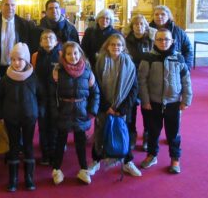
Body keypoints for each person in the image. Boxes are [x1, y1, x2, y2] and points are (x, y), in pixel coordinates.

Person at [138, 28, 193, 174]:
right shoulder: (148, 58)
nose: (163, 42)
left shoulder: (179, 58)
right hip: (153, 102)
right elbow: (141, 81)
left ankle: (175, 158)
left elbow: (186, 81)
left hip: (173, 102)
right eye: (160, 39)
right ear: (155, 41)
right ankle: (152, 155)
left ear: (172, 41)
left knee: (173, 133)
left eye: (166, 39)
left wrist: (186, 99)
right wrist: (145, 100)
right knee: (153, 131)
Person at [89, 34, 142, 178]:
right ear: (107, 46)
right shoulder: (99, 62)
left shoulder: (129, 63)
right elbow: (96, 86)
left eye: (119, 45)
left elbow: (134, 88)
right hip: (104, 107)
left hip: (123, 108)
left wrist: (122, 109)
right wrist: (107, 107)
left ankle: (127, 162)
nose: (115, 47)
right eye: (112, 44)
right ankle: (96, 161)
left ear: (123, 47)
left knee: (124, 133)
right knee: (101, 132)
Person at [50, 42, 100, 185]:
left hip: (81, 110)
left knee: (80, 142)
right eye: (69, 54)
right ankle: (56, 169)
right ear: (64, 56)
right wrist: (55, 111)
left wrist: (92, 110)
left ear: (80, 54)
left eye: (76, 53)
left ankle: (84, 170)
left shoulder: (88, 72)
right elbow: (51, 94)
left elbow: (95, 92)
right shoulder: (57, 72)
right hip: (63, 110)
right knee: (60, 142)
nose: (73, 56)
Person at [0, 43, 39, 192]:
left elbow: (42, 96)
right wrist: (0, 115)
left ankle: (29, 178)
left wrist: (38, 111)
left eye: (20, 59)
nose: (16, 63)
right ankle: (12, 179)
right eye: (13, 60)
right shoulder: (6, 79)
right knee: (13, 147)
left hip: (29, 117)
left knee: (28, 146)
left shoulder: (33, 78)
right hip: (11, 118)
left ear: (26, 60)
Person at [123, 14, 156, 151]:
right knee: (131, 109)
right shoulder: (126, 40)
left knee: (147, 108)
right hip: (130, 78)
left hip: (147, 78)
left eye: (142, 24)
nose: (139, 26)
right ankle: (132, 135)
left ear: (146, 26)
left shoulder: (151, 40)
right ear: (132, 27)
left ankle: (147, 135)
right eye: (136, 24)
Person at [0, 0, 38, 76]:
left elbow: (31, 45)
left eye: (12, 5)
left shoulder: (24, 25)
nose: (10, 7)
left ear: (15, 7)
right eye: (6, 5)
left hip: (18, 68)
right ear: (1, 7)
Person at [31, 29, 61, 166]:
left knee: (55, 125)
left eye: (50, 38)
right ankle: (45, 153)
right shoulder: (35, 56)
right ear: (40, 42)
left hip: (56, 96)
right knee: (43, 125)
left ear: (56, 42)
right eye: (44, 38)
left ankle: (55, 153)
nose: (47, 40)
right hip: (41, 96)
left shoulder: (61, 55)